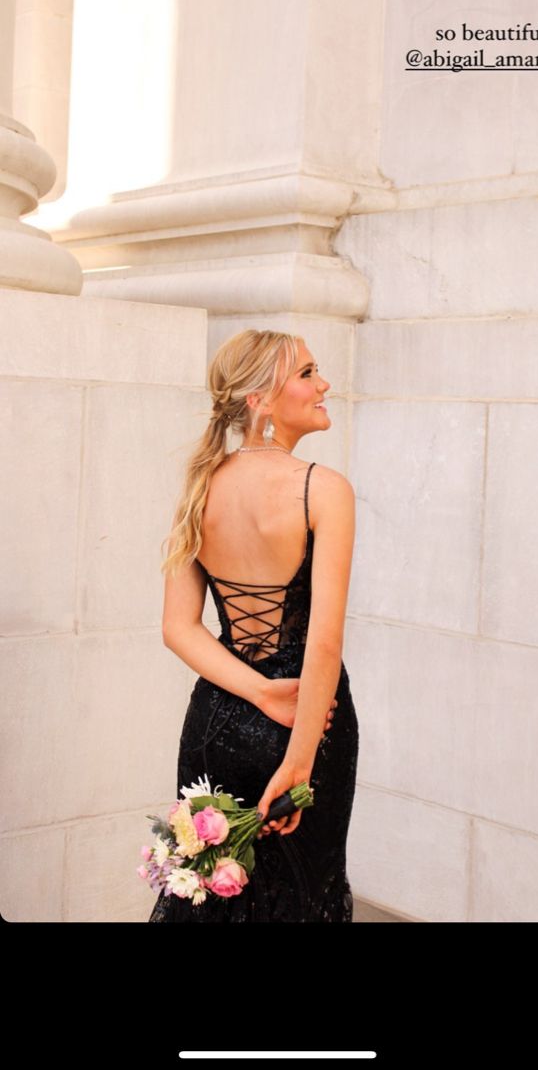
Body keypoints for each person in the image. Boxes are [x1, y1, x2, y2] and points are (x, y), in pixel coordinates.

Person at [147, 328, 359, 922]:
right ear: (260, 399)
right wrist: (298, 763)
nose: (324, 385)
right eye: (308, 374)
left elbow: (178, 627)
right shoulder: (325, 489)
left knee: (211, 892)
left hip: (218, 716)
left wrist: (257, 690)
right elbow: (322, 641)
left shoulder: (199, 485)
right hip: (307, 717)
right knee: (303, 893)